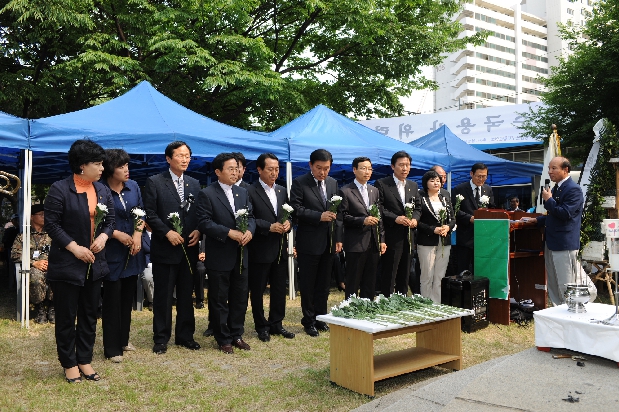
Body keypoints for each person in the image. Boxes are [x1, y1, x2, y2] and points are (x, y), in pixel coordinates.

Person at [44, 139, 115, 383]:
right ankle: (69, 363)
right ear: (82, 166)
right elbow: (51, 224)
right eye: (97, 164)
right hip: (68, 263)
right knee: (66, 316)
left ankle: (84, 359)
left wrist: (104, 237)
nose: (102, 168)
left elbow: (110, 220)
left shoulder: (103, 190)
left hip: (95, 263)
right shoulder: (60, 188)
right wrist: (75, 248)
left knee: (89, 314)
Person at [143, 141, 201, 354]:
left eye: (188, 155)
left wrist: (199, 231)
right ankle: (161, 338)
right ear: (168, 158)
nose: (185, 159)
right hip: (165, 249)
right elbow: (149, 213)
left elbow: (199, 213)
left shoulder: (195, 184)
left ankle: (185, 336)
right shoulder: (155, 182)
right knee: (163, 296)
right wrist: (166, 232)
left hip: (189, 249)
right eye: (180, 155)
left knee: (187, 294)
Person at [197, 152, 256, 354]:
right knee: (219, 298)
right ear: (218, 171)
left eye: (237, 168)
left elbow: (251, 217)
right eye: (230, 168)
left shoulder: (243, 193)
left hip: (241, 254)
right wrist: (228, 232)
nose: (235, 172)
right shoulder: (208, 193)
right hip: (220, 254)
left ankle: (237, 333)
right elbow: (204, 222)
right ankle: (223, 338)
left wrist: (249, 230)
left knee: (240, 297)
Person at [289, 149, 342, 337]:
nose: (323, 172)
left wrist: (338, 238)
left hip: (328, 241)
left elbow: (339, 214)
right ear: (311, 165)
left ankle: (321, 318)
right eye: (319, 168)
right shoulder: (300, 183)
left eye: (326, 168)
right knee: (309, 284)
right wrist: (319, 216)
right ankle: (309, 321)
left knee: (324, 284)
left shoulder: (333, 183)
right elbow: (295, 209)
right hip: (309, 242)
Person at [101, 149, 146, 362]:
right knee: (112, 300)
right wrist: (116, 233)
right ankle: (112, 348)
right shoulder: (100, 190)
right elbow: (98, 221)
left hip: (133, 250)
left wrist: (138, 235)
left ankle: (124, 339)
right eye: (121, 167)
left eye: (127, 165)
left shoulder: (134, 187)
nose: (126, 170)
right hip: (111, 251)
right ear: (110, 169)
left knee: (127, 296)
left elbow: (141, 213)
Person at [247, 153, 295, 342]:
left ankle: (276, 324)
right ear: (259, 170)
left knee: (278, 289)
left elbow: (289, 213)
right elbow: (248, 218)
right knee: (258, 290)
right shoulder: (249, 191)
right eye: (270, 169)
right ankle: (261, 326)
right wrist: (268, 227)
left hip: (280, 248)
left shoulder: (282, 190)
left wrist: (288, 223)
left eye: (277, 169)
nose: (274, 173)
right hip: (260, 248)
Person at [525, 157, 584, 306]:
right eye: (549, 168)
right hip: (551, 242)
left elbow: (565, 214)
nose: (550, 171)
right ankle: (558, 310)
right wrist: (537, 220)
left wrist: (549, 200)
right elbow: (553, 215)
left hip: (564, 244)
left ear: (565, 170)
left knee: (566, 282)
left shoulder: (573, 189)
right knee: (552, 281)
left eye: (554, 168)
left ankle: (570, 310)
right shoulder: (557, 187)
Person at [338, 157, 386, 300]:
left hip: (373, 242)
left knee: (370, 283)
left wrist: (382, 239)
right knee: (353, 282)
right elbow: (343, 217)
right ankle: (350, 313)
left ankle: (367, 311)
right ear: (354, 170)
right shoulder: (345, 191)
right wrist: (362, 221)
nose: (367, 172)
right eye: (363, 168)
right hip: (355, 243)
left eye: (370, 169)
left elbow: (380, 217)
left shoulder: (374, 191)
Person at [374, 151, 421, 297]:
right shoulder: (382, 184)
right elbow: (379, 207)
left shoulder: (413, 185)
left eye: (407, 165)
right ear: (393, 166)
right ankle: (387, 301)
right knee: (390, 272)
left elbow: (418, 207)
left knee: (405, 273)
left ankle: (402, 300)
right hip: (391, 236)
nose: (405, 168)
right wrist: (395, 218)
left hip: (408, 237)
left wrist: (415, 219)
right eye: (401, 165)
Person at [10, 204, 54, 324]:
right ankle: (40, 310)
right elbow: (14, 255)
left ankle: (52, 308)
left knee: (58, 274)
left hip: (52, 266)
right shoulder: (23, 236)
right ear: (32, 217)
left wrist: (53, 263)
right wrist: (34, 263)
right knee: (35, 276)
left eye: (46, 214)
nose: (45, 217)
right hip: (33, 268)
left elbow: (61, 252)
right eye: (41, 214)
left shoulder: (52, 234)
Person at [417, 170, 456, 302]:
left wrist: (448, 227)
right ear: (426, 183)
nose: (436, 183)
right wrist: (433, 229)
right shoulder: (420, 197)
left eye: (438, 180)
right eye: (432, 180)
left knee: (440, 275)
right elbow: (417, 221)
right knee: (427, 275)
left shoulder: (445, 197)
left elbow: (452, 219)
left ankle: (437, 304)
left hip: (444, 241)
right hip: (427, 241)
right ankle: (426, 304)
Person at [451, 163, 495, 275]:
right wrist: (469, 218)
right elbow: (454, 210)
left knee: (481, 269)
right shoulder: (459, 189)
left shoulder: (488, 189)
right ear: (471, 174)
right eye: (478, 176)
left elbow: (492, 208)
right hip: (465, 237)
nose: (481, 179)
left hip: (483, 237)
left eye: (484, 176)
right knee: (463, 270)